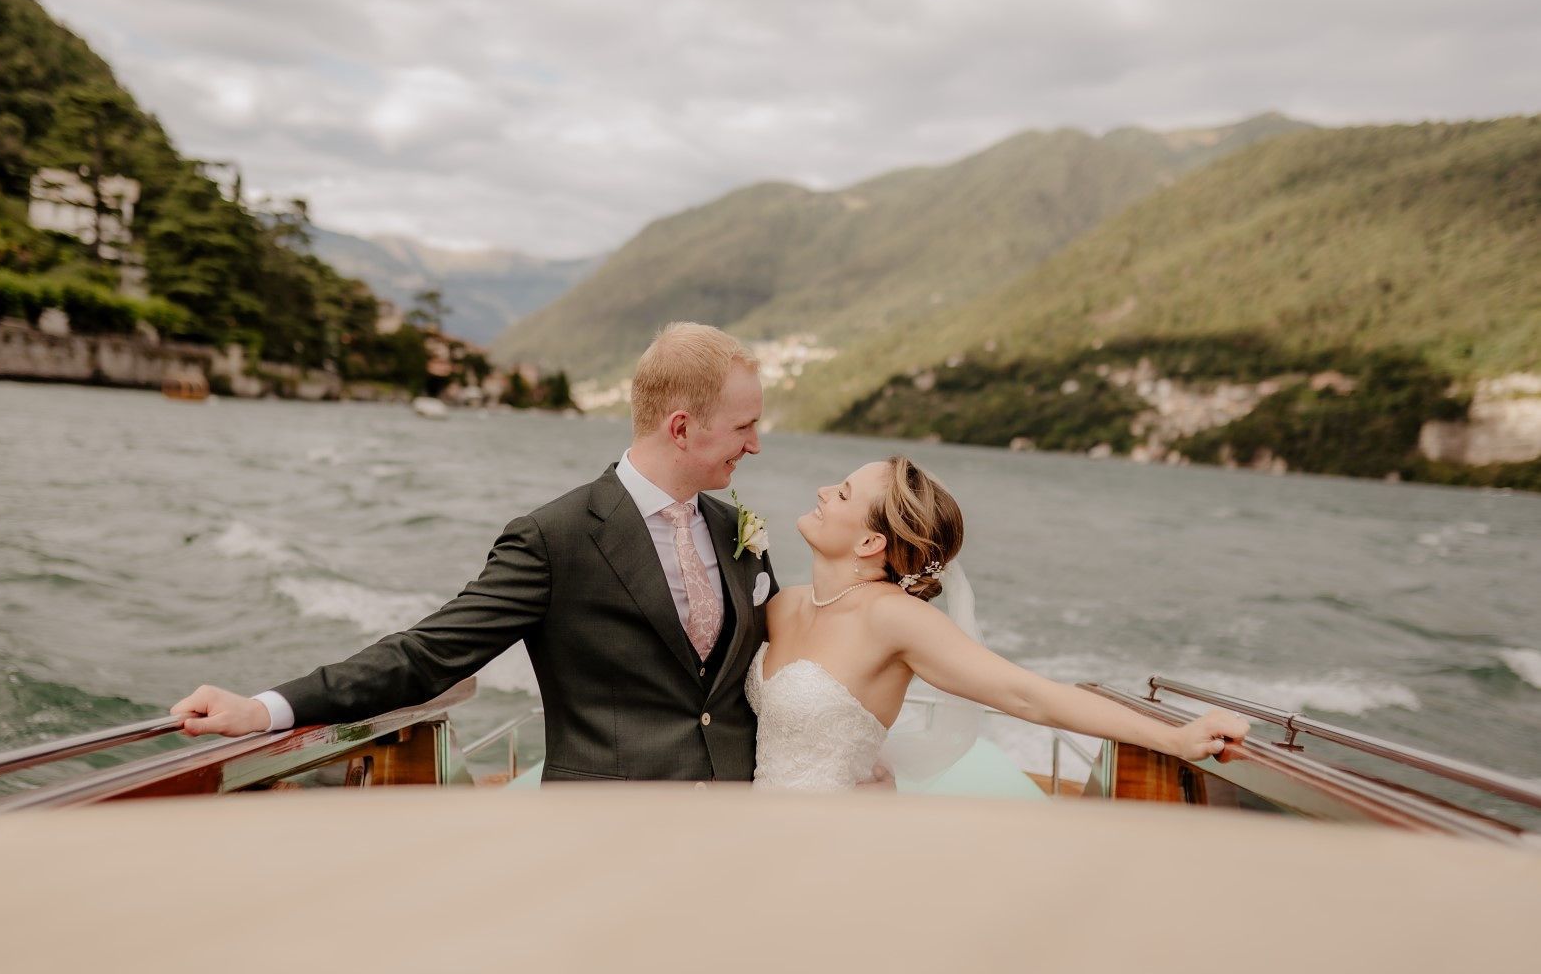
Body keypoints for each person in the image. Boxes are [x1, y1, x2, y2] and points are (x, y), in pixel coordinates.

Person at [172, 322, 778, 783]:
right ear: (680, 427)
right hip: (604, 825)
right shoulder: (556, 537)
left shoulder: (736, 531)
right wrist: (266, 709)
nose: (754, 446)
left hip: (731, 820)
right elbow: (428, 654)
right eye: (743, 426)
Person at [748, 456, 1249, 790]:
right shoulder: (782, 605)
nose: (822, 490)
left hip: (829, 840)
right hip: (747, 826)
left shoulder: (891, 617)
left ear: (869, 543)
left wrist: (1177, 737)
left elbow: (1026, 694)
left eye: (841, 494)